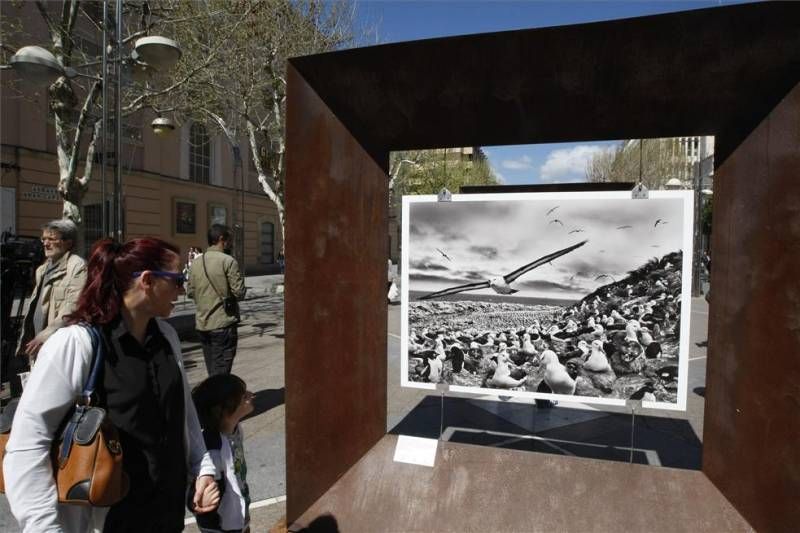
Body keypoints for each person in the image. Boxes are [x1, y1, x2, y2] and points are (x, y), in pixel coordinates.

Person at [3, 238, 220, 532]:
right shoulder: (76, 345)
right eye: (178, 279)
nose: (183, 289)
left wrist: (202, 469)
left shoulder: (166, 338)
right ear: (147, 281)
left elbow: (183, 413)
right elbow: (28, 444)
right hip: (108, 522)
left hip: (165, 516)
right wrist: (43, 527)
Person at [15, 219, 87, 365]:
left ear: (68, 242)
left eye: (52, 239)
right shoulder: (42, 269)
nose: (46, 244)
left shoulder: (77, 266)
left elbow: (72, 306)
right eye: (44, 239)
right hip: (38, 342)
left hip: (55, 344)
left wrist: (46, 335)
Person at [191, 374, 254, 533]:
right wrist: (201, 504)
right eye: (243, 396)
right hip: (221, 525)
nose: (250, 396)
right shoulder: (212, 450)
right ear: (223, 410)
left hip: (238, 515)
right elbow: (197, 489)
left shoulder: (234, 431)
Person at [188, 224, 246, 376]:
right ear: (222, 239)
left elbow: (190, 292)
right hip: (223, 324)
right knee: (221, 373)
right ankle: (217, 399)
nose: (231, 243)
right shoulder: (228, 261)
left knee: (212, 370)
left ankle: (214, 397)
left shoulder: (195, 263)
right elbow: (239, 293)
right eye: (230, 239)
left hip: (202, 325)